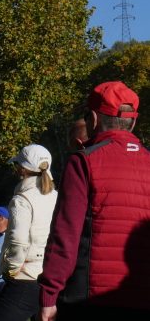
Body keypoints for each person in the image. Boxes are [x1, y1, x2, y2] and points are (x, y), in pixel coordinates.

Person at [39, 81, 150, 319]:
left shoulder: (84, 161)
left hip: (88, 296)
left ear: (93, 119)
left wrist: (49, 294)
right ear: (133, 122)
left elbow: (66, 235)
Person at [0, 144, 57, 321]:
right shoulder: (55, 196)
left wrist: (12, 268)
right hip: (50, 274)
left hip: (26, 275)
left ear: (22, 169)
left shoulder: (22, 199)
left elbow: (18, 240)